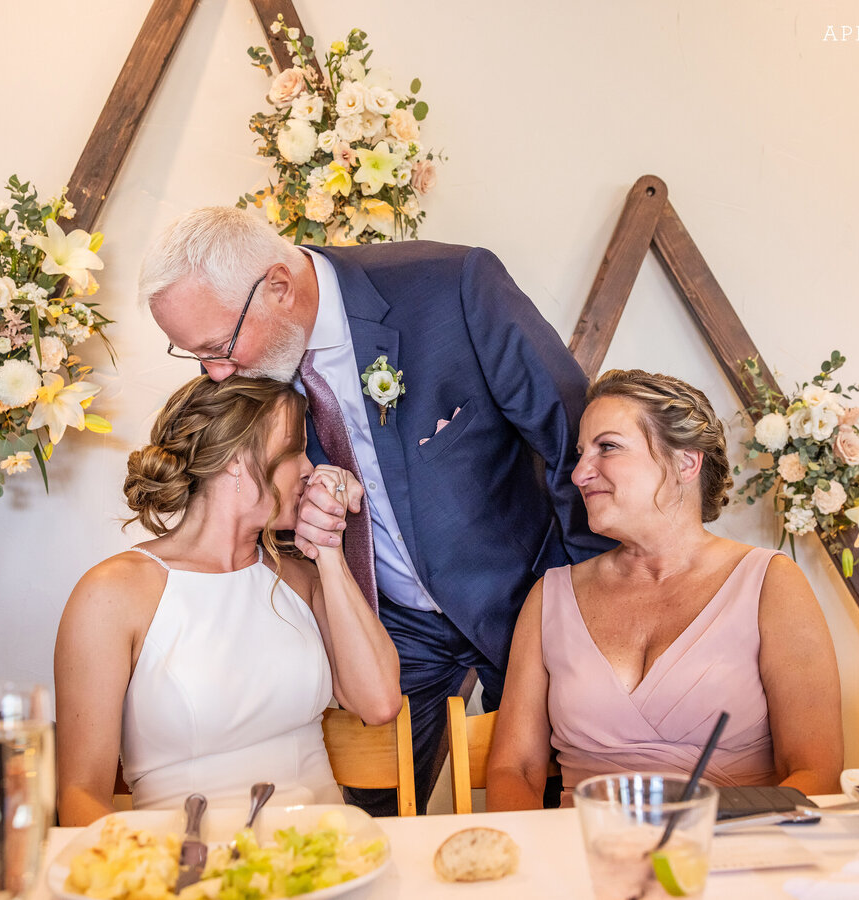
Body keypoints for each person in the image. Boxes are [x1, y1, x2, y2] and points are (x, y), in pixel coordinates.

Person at [139, 207, 612, 813]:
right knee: (367, 813)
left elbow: (575, 442)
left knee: (555, 800)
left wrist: (596, 599)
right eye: (194, 355)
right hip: (388, 627)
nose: (215, 373)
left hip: (522, 600)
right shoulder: (250, 369)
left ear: (279, 287)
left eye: (218, 347)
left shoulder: (452, 286)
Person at [487, 369, 844, 809]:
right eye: (582, 454)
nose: (579, 473)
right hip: (585, 856)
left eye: (608, 447)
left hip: (730, 856)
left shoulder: (770, 584)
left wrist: (694, 841)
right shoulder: (550, 596)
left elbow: (817, 773)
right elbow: (514, 770)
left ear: (685, 463)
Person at [54, 375, 400, 826]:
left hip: (325, 856)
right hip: (188, 872)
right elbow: (80, 796)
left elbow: (379, 704)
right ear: (237, 460)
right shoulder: (113, 594)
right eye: (295, 448)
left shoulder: (301, 578)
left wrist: (330, 549)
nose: (309, 468)